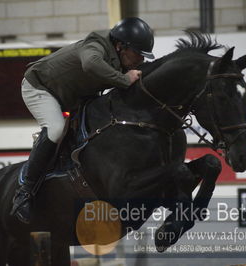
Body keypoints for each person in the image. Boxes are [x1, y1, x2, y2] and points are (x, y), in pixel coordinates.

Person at [10, 17, 155, 224]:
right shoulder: (96, 44)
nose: (141, 59)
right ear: (121, 46)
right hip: (40, 87)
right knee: (56, 129)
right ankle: (24, 191)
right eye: (138, 53)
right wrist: (125, 79)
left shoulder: (122, 58)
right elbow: (90, 64)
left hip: (72, 95)